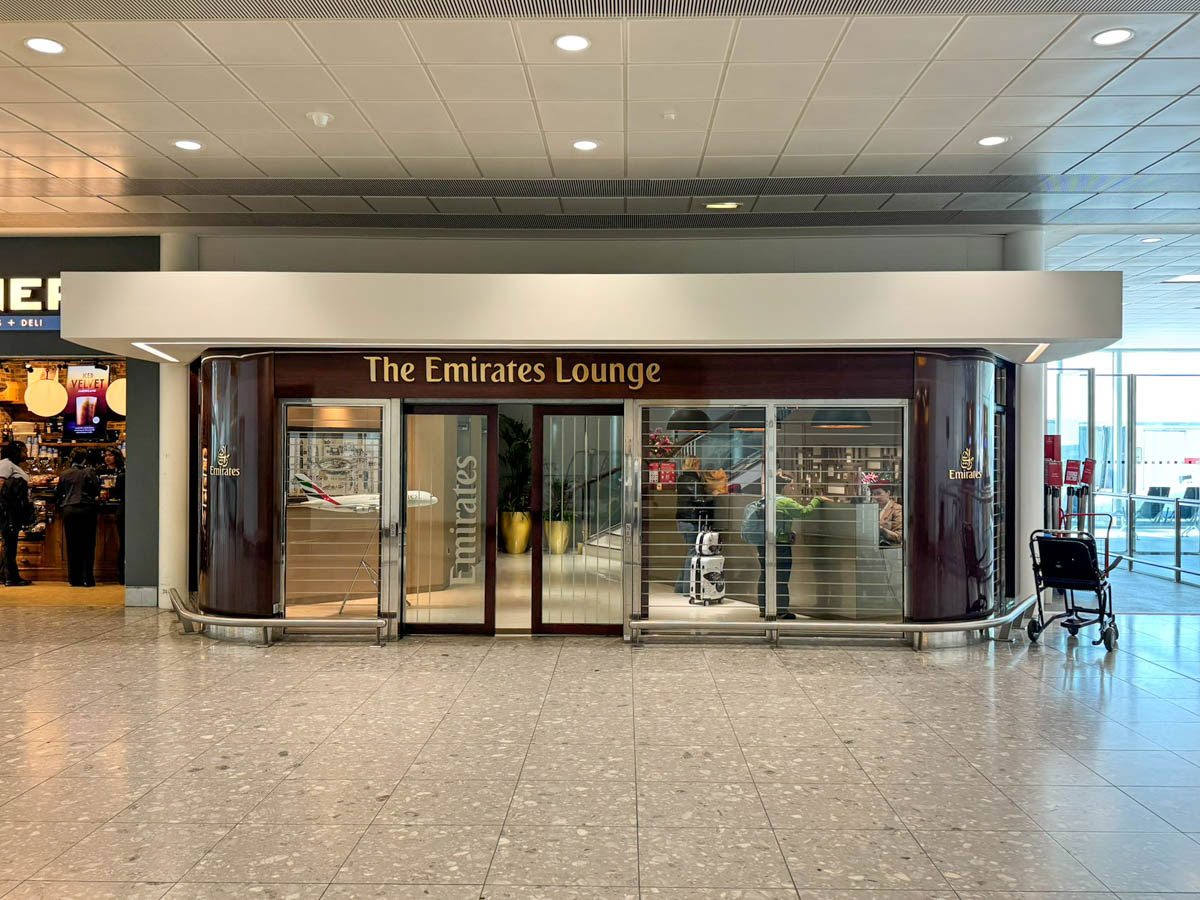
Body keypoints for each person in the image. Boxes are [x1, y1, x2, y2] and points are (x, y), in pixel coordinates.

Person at [742, 471, 827, 619]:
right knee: (781, 577)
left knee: (765, 575)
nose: (793, 489)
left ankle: (764, 608)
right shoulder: (785, 502)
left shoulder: (766, 499)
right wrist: (817, 499)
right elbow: (804, 512)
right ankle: (781, 610)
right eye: (791, 486)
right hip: (780, 545)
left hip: (763, 543)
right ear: (783, 487)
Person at [54, 449, 100, 587]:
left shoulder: (64, 473)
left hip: (69, 510)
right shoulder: (89, 472)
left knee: (72, 545)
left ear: (71, 459)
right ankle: (88, 578)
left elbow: (59, 494)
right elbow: (95, 491)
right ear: (84, 460)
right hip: (87, 509)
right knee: (88, 544)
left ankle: (75, 579)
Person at [674, 456, 715, 594]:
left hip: (682, 521)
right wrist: (712, 495)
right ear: (695, 465)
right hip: (691, 521)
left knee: (689, 552)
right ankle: (687, 589)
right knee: (692, 554)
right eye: (698, 464)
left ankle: (680, 587)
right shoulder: (693, 481)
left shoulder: (681, 479)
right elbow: (699, 500)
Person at [0, 441, 36, 587]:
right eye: (24, 451)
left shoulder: (13, 465)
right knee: (10, 543)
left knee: (10, 542)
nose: (26, 454)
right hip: (8, 510)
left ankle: (5, 575)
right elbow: (1, 484)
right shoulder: (5, 464)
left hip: (13, 510)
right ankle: (11, 577)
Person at [103, 448, 126, 584]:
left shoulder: (122, 473)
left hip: (121, 509)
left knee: (123, 544)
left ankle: (122, 576)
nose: (107, 458)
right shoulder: (100, 470)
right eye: (106, 455)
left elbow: (116, 492)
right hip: (124, 509)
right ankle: (122, 575)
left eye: (110, 455)